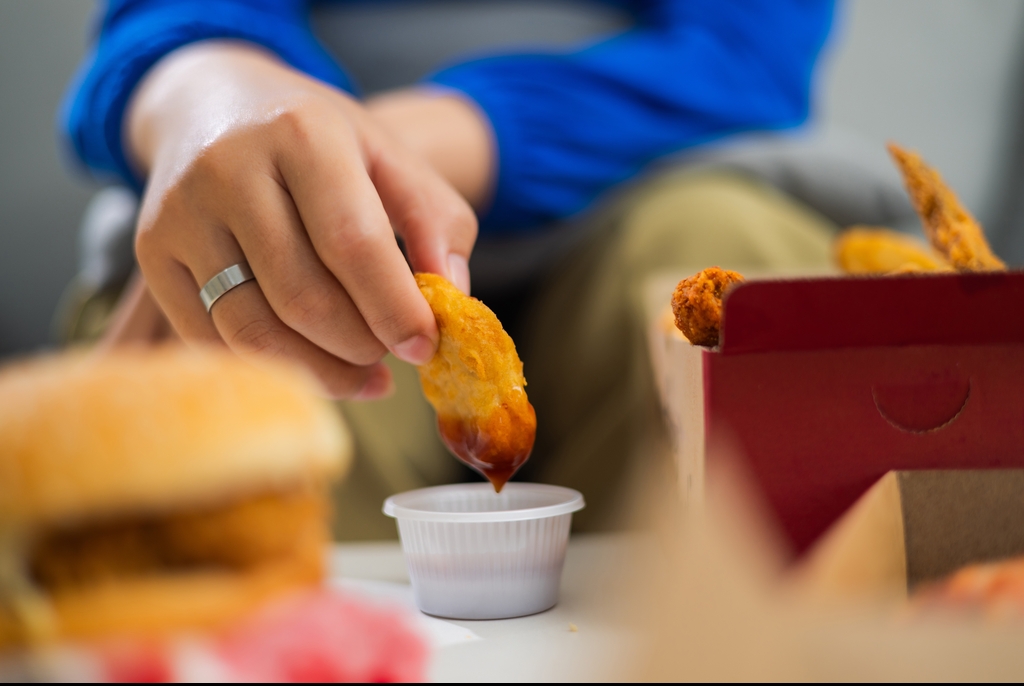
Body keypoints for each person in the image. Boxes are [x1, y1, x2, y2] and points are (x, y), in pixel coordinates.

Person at [62, 0, 837, 537]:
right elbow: (164, 20)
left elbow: (742, 55)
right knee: (266, 381)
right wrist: (204, 88)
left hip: (664, 173)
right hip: (285, 179)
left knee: (731, 283)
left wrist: (390, 146)